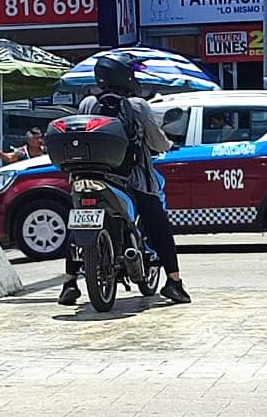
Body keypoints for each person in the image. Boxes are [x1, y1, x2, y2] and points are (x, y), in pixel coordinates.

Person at [58, 52, 191, 306]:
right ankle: (174, 282)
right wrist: (167, 144)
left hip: (87, 175)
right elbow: (156, 140)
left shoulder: (87, 103)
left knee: (78, 223)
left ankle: (69, 283)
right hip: (129, 179)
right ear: (125, 77)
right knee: (156, 220)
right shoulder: (137, 106)